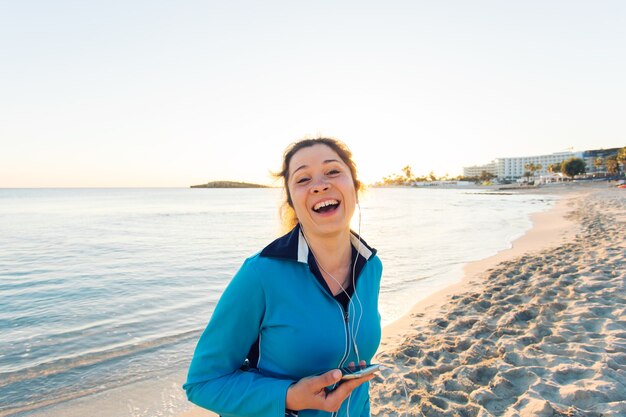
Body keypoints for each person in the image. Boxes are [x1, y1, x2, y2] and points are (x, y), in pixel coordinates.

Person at [183, 138, 383, 417]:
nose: (320, 184)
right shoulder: (260, 274)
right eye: (303, 178)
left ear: (356, 186)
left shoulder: (372, 267)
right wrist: (289, 397)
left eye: (333, 171)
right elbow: (203, 382)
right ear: (292, 201)